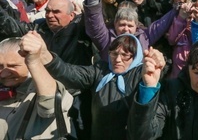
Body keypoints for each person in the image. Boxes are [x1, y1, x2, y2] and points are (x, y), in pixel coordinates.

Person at [29, 32, 163, 140]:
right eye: (114, 54)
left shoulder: (141, 74)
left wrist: (155, 64)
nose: (117, 60)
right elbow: (71, 74)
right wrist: (46, 56)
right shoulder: (100, 70)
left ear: (135, 57)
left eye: (125, 55)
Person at [84, 0, 178, 61]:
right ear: (115, 24)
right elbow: (94, 20)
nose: (126, 29)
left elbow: (160, 24)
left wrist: (177, 9)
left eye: (130, 26)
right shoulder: (106, 38)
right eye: (122, 24)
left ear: (136, 26)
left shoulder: (144, 37)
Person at [0, 34, 74, 139]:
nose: (4, 74)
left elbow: (50, 106)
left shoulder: (43, 86)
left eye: (13, 66)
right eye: (0, 66)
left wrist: (34, 62)